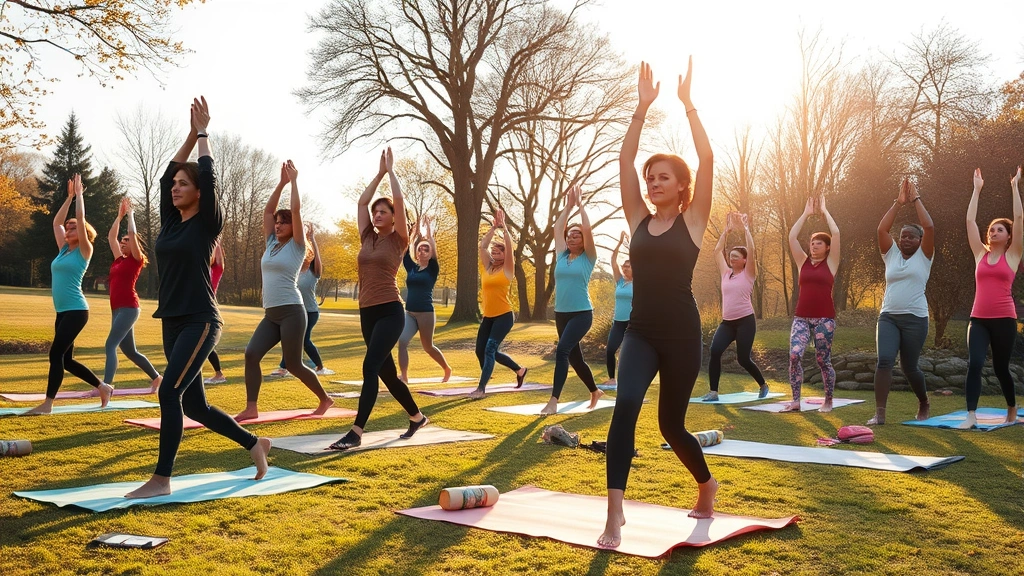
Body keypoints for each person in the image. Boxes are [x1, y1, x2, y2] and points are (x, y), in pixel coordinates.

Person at [125, 97, 271, 498]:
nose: (175, 187)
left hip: (201, 320)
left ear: (198, 192)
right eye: (175, 185)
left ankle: (161, 480)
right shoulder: (171, 222)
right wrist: (189, 134)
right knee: (195, 407)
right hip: (172, 320)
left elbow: (209, 177)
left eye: (183, 185)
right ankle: (255, 444)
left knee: (169, 392)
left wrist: (204, 134)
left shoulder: (208, 222)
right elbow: (165, 175)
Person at [599, 59, 717, 549]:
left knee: (671, 425)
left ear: (681, 185)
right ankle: (614, 514)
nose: (652, 182)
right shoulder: (638, 220)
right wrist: (641, 109)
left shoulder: (693, 222)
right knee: (625, 405)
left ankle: (706, 485)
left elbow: (708, 159)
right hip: (640, 332)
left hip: (682, 335)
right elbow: (624, 161)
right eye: (650, 178)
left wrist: (688, 104)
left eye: (662, 176)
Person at [328, 148, 429, 450]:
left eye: (383, 211)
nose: (377, 214)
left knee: (370, 368)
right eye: (376, 212)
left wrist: (392, 173)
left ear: (395, 218)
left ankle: (356, 432)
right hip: (366, 313)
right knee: (386, 372)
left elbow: (399, 202)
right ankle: (417, 416)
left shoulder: (399, 239)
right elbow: (361, 202)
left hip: (389, 311)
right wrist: (379, 174)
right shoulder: (367, 237)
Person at [234, 161, 334, 421]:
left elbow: (297, 211)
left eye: (283, 223)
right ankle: (251, 407)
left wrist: (295, 182)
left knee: (293, 364)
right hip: (271, 314)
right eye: (277, 222)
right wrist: (280, 183)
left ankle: (325, 399)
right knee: (251, 354)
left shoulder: (297, 246)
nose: (278, 225)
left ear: (293, 228)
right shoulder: (271, 243)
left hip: (292, 311)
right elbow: (267, 211)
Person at [24, 174, 112, 415]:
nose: (69, 228)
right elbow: (56, 223)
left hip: (76, 310)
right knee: (66, 360)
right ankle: (103, 387)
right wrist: (69, 197)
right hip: (63, 312)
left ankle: (47, 404)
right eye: (69, 227)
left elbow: (81, 217)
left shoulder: (85, 249)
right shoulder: (63, 249)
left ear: (84, 232)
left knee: (55, 354)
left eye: (75, 227)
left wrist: (81, 197)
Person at [868, 179, 934, 425]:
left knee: (909, 368)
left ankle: (924, 402)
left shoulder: (925, 256)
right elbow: (881, 230)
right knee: (884, 360)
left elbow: (929, 226)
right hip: (889, 317)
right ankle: (880, 414)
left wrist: (915, 199)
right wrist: (898, 202)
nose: (905, 239)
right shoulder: (892, 253)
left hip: (916, 319)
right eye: (903, 236)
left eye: (911, 237)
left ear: (919, 241)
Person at [960, 166, 1021, 429]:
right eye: (992, 230)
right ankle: (971, 415)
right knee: (974, 364)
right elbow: (970, 222)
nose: (993, 232)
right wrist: (976, 190)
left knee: (1000, 368)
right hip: (979, 319)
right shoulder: (979, 255)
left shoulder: (1013, 255)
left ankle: (1011, 406)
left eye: (999, 230)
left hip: (1005, 319)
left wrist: (1014, 186)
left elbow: (1019, 217)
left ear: (1008, 237)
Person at [541, 182, 602, 415]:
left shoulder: (589, 257)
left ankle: (553, 401)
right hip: (561, 314)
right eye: (570, 234)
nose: (572, 237)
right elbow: (558, 228)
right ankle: (594, 391)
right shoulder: (561, 255)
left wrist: (581, 205)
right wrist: (568, 207)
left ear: (584, 239)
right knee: (575, 358)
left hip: (581, 314)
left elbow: (587, 228)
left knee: (562, 351)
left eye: (577, 235)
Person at [784, 195, 842, 413]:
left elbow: (836, 233)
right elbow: (792, 237)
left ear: (827, 248)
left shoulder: (831, 263)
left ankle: (828, 400)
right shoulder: (803, 262)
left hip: (824, 319)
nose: (813, 246)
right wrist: (806, 214)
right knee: (794, 355)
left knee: (822, 360)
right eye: (812, 243)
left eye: (819, 243)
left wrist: (825, 211)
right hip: (801, 317)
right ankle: (796, 401)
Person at [703, 211, 768, 401]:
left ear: (745, 260)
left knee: (743, 359)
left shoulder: (748, 274)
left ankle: (763, 384)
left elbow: (752, 250)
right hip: (727, 323)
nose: (731, 259)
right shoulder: (726, 273)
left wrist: (746, 228)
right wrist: (726, 231)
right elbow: (717, 251)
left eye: (736, 256)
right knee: (715, 351)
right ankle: (713, 392)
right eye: (730, 256)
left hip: (745, 322)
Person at [467, 208, 528, 399]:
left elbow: (510, 248)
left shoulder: (507, 269)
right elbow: (482, 247)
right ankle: (519, 370)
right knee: (482, 351)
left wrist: (505, 229)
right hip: (488, 317)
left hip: (504, 316)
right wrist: (493, 228)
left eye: (497, 250)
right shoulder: (487, 268)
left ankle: (481, 388)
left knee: (490, 349)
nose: (493, 252)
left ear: (504, 254)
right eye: (493, 250)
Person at [103, 197, 162, 392]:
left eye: (126, 241)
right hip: (117, 309)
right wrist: (118, 217)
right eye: (122, 241)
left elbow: (132, 233)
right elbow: (111, 238)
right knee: (130, 351)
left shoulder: (135, 260)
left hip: (129, 307)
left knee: (110, 345)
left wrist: (130, 214)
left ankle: (107, 385)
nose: (122, 243)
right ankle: (156, 378)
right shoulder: (118, 260)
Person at [269, 223, 334, 377]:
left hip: (310, 312)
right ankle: (284, 368)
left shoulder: (314, 273)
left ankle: (319, 367)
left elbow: (317, 259)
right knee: (289, 337)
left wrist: (312, 238)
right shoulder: (294, 271)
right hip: (295, 310)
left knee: (303, 340)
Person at [397, 214, 452, 383]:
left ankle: (446, 368)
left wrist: (428, 233)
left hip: (426, 313)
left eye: (426, 249)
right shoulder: (412, 268)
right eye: (420, 248)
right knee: (402, 342)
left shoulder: (432, 269)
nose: (422, 250)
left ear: (430, 254)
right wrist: (413, 232)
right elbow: (405, 248)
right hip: (410, 313)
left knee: (428, 347)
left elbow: (433, 248)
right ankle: (404, 376)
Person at [603, 231, 633, 389]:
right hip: (618, 323)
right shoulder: (620, 281)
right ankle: (612, 379)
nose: (625, 268)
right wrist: (620, 242)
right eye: (624, 266)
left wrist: (631, 245)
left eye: (629, 266)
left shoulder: (640, 282)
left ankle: (630, 381)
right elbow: (613, 260)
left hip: (633, 324)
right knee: (610, 350)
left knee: (629, 355)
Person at [203, 239, 227, 384]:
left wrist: (215, 239)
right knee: (203, 343)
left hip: (208, 307)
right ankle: (218, 374)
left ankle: (219, 374)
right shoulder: (202, 269)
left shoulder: (217, 269)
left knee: (206, 343)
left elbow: (217, 252)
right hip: (198, 306)